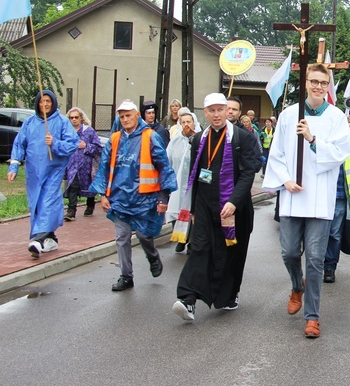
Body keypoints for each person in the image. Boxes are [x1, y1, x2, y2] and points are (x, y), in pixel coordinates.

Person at [262, 63, 350, 338]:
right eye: (313, 81)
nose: (317, 86)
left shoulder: (336, 117)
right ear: (306, 83)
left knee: (314, 259)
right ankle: (296, 285)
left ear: (328, 86)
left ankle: (312, 316)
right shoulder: (290, 114)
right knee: (289, 252)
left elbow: (341, 152)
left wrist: (313, 139)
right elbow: (276, 153)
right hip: (292, 195)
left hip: (320, 198)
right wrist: (285, 179)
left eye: (322, 83)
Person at [172, 93, 261, 320]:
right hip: (204, 205)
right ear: (206, 113)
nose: (217, 114)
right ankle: (188, 299)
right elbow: (195, 176)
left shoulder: (242, 138)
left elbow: (248, 173)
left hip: (234, 208)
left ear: (227, 111)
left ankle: (229, 294)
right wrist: (192, 210)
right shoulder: (199, 139)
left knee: (231, 254)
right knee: (199, 250)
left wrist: (233, 201)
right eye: (211, 110)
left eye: (220, 109)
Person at [90, 100, 177, 291]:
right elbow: (104, 167)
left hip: (144, 199)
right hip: (120, 198)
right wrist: (103, 195)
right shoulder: (114, 140)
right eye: (121, 117)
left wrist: (163, 198)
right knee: (122, 236)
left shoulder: (151, 137)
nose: (125, 119)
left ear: (137, 115)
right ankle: (126, 276)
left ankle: (152, 256)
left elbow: (164, 167)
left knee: (145, 235)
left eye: (128, 115)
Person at [8, 90, 79, 258]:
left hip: (54, 170)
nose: (45, 104)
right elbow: (20, 144)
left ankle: (38, 239)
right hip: (33, 172)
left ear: (53, 102)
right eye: (41, 101)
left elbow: (72, 144)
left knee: (49, 201)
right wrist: (14, 166)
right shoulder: (29, 123)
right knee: (37, 204)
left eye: (48, 101)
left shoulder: (62, 122)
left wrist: (55, 143)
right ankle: (50, 237)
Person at [323, 147, 350, 283]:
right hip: (320, 198)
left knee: (334, 235)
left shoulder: (348, 147)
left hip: (340, 198)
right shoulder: (317, 143)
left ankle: (329, 267)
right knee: (318, 235)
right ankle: (316, 266)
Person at [166, 108, 201, 254]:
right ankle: (180, 238)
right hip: (178, 183)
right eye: (183, 122)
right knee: (177, 210)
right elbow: (167, 160)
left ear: (194, 123)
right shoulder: (175, 141)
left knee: (193, 212)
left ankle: (191, 241)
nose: (186, 124)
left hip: (194, 184)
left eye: (189, 121)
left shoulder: (200, 139)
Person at [63, 107, 102, 221]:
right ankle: (71, 211)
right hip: (72, 165)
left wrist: (86, 146)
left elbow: (98, 148)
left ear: (81, 118)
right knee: (73, 186)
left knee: (88, 186)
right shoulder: (66, 132)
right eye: (71, 117)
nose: (74, 119)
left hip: (87, 165)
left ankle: (90, 204)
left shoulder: (89, 131)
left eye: (76, 117)